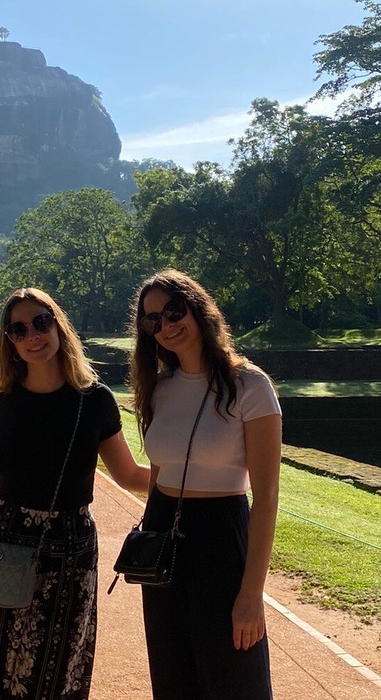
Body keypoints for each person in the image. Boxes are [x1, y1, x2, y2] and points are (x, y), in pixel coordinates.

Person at [0, 287, 149, 700]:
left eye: (41, 322)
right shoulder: (0, 400)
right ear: (10, 341)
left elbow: (128, 474)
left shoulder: (94, 401)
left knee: (58, 669)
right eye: (18, 329)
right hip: (3, 544)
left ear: (58, 325)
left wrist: (202, 481)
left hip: (69, 548)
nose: (32, 336)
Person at [130, 269, 282, 700]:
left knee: (234, 674)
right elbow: (160, 471)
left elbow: (266, 497)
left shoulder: (249, 385)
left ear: (198, 309)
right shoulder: (158, 388)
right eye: (152, 320)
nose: (166, 325)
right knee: (173, 672)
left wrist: (252, 594)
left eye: (173, 311)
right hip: (164, 536)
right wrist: (148, 537)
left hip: (220, 535)